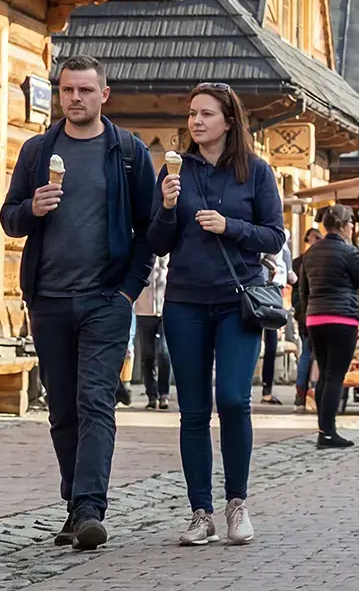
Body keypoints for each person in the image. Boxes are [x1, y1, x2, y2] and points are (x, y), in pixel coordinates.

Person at [1, 57, 155, 553]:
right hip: (48, 298)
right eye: (68, 90)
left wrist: (128, 289)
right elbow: (9, 218)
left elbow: (149, 229)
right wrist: (31, 209)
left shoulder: (127, 152)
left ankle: (90, 508)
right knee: (62, 409)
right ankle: (74, 503)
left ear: (103, 95)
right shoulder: (37, 150)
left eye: (85, 90)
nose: (75, 98)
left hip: (105, 299)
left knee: (95, 402)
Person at [149, 83, 286, 546]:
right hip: (185, 301)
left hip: (237, 300)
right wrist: (168, 206)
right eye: (192, 114)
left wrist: (231, 227)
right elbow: (158, 243)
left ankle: (237, 503)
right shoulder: (175, 170)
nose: (196, 121)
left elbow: (274, 236)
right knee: (192, 410)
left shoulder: (255, 172)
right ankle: (200, 512)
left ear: (229, 121)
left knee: (231, 399)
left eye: (206, 114)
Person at [295, 204, 359, 448]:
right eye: (351, 222)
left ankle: (324, 429)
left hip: (315, 318)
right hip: (342, 318)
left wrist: (305, 318)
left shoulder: (311, 253)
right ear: (342, 225)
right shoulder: (349, 251)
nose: (353, 226)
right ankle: (328, 433)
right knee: (334, 376)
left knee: (324, 374)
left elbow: (303, 290)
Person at [133, 256, 172, 411]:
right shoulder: (141, 250)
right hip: (144, 310)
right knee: (147, 355)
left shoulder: (167, 252)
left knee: (164, 353)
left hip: (165, 309)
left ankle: (164, 394)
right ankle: (151, 395)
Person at [258, 243, 293, 406]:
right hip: (264, 292)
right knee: (262, 343)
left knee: (270, 344)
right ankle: (265, 391)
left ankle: (267, 390)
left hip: (271, 293)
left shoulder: (281, 244)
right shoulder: (274, 242)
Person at [293, 225, 322, 408]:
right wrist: (300, 311)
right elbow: (298, 291)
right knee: (308, 353)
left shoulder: (304, 261)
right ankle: (302, 392)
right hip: (310, 313)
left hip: (310, 311)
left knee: (309, 353)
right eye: (314, 238)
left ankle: (306, 393)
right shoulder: (301, 262)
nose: (316, 241)